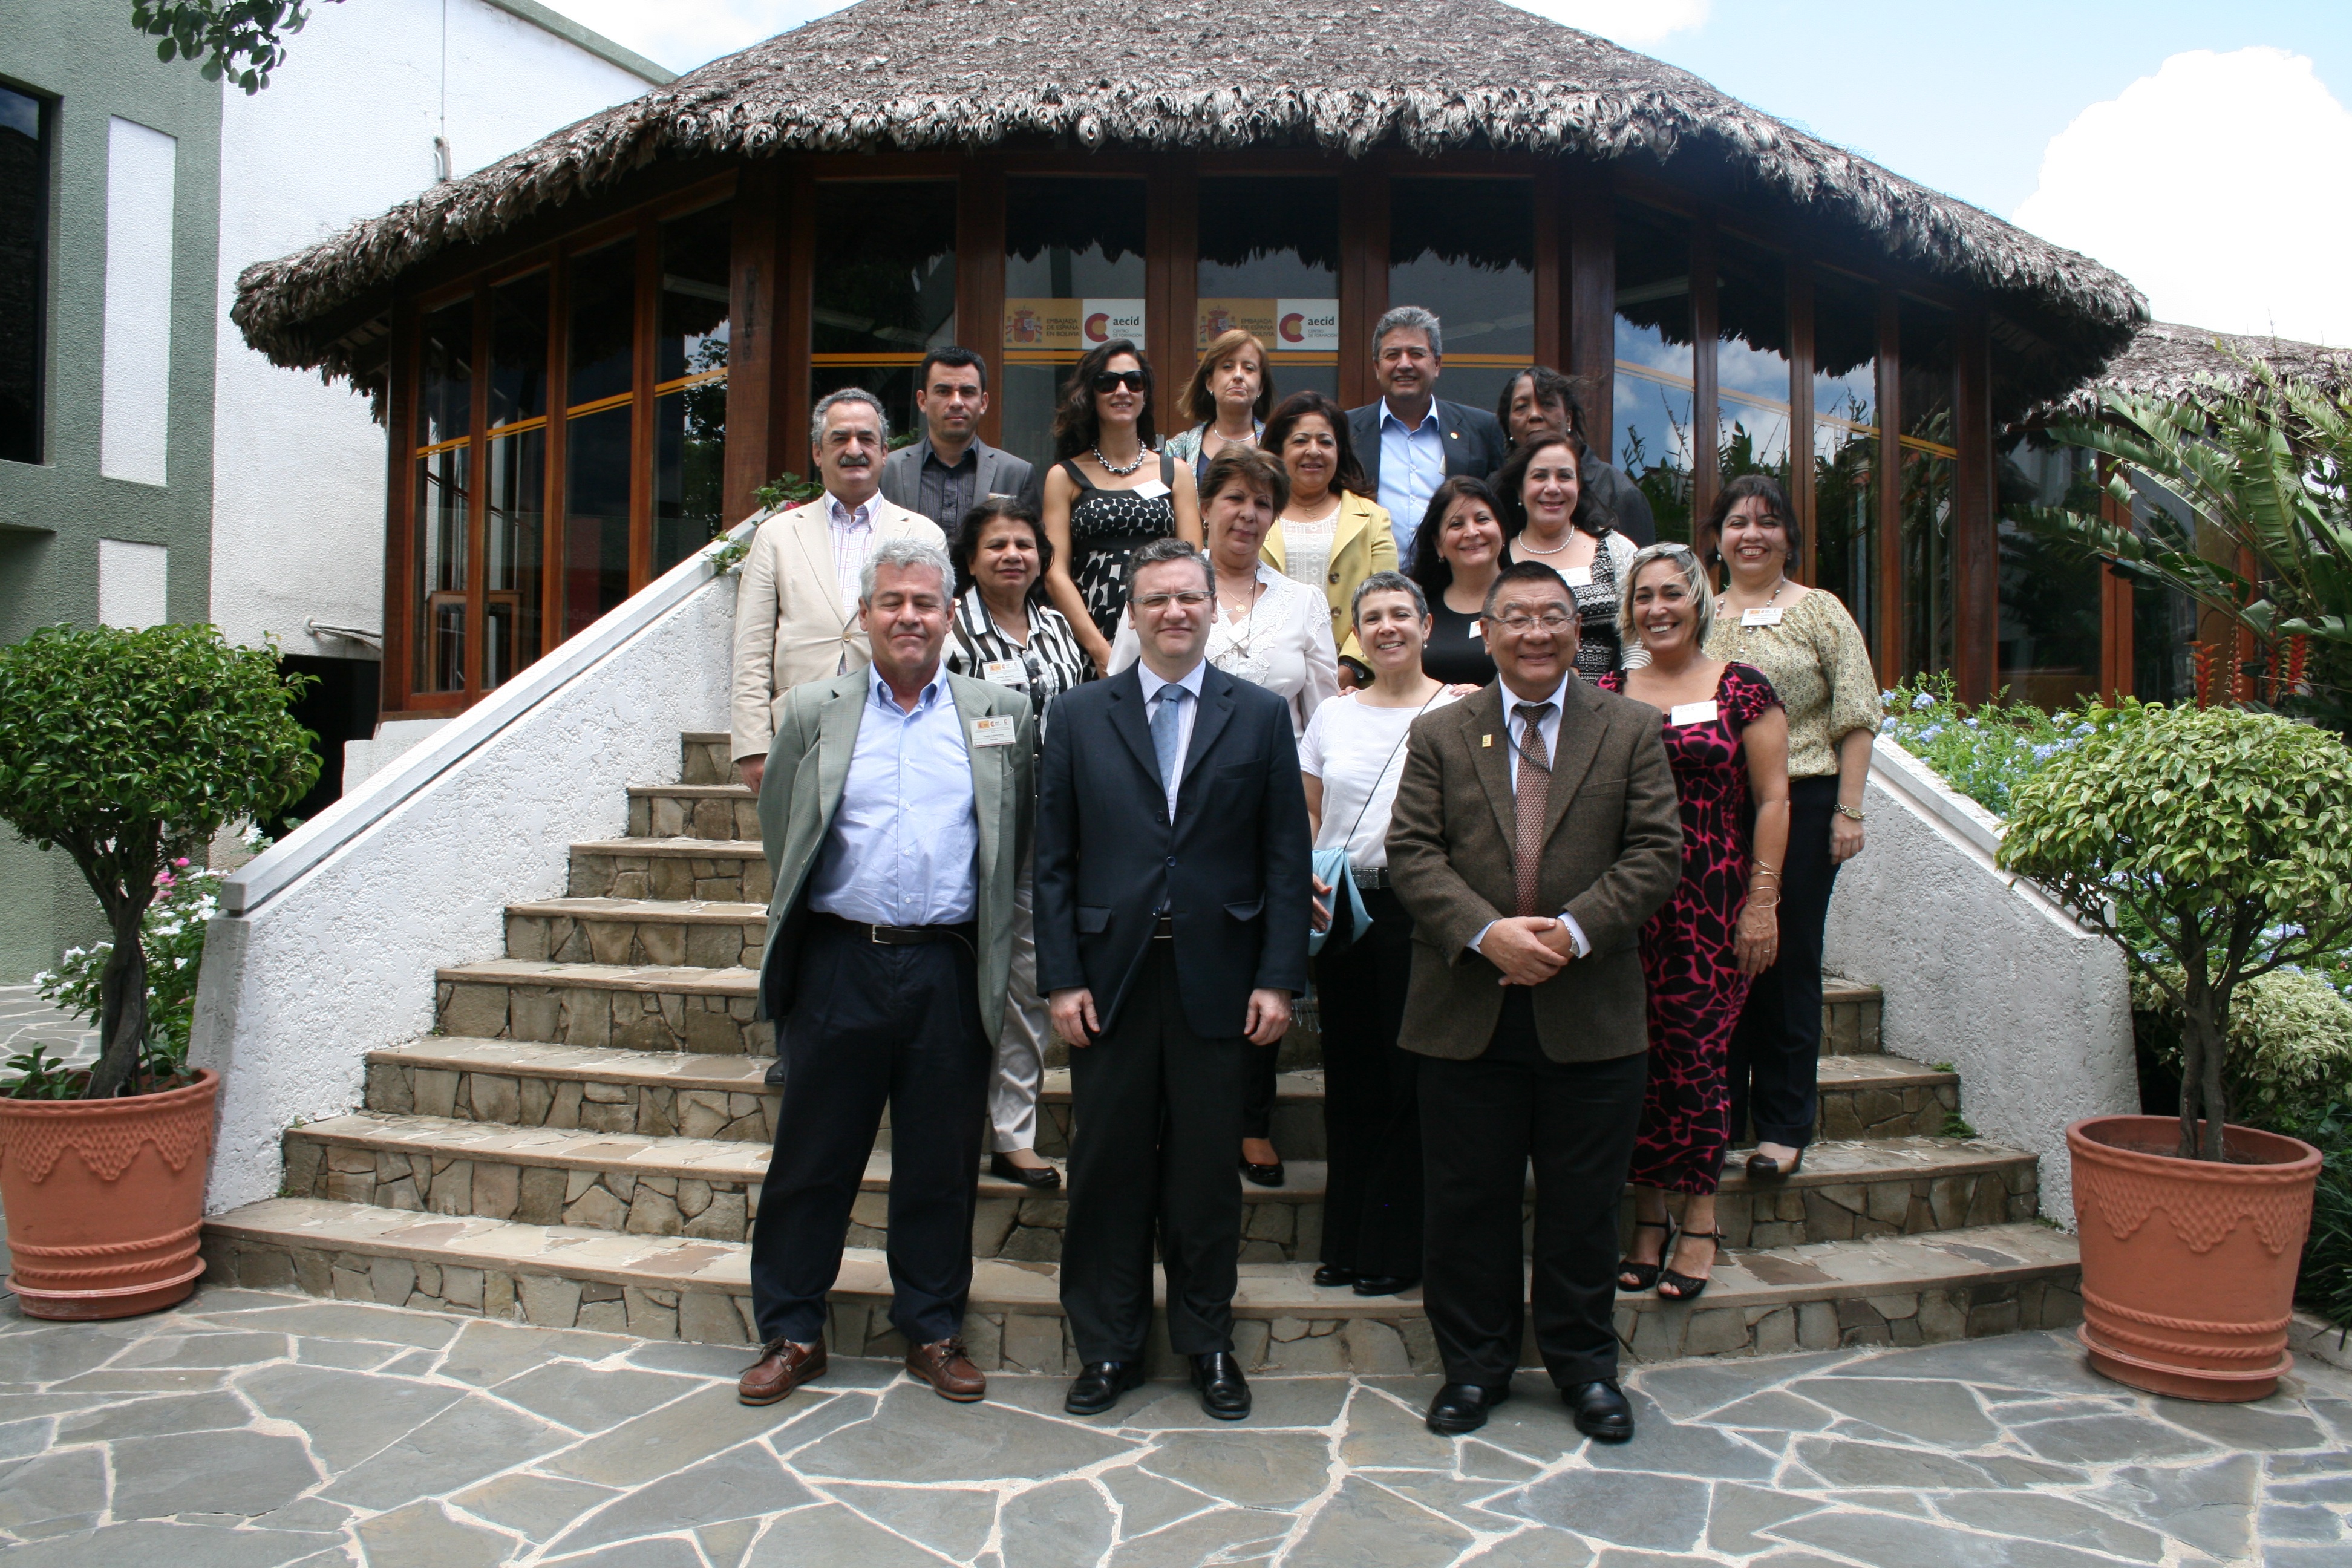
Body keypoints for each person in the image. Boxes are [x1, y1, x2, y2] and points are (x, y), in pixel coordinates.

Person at [1386, 559, 1682, 1442]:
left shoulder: (1630, 728)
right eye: (1515, 618)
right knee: (1465, 1204)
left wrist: (1570, 934)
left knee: (1583, 1207)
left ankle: (1585, 1369)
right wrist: (1489, 935)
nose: (1536, 633)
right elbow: (1413, 854)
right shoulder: (1442, 732)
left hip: (1590, 1008)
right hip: (1464, 1008)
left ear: (1577, 629)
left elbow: (1656, 853)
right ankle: (1473, 1370)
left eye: (1553, 616)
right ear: (1487, 634)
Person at [736, 538, 1034, 1410]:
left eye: (925, 603)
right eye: (893, 602)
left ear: (951, 616)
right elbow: (784, 830)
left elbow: (1016, 836)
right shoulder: (811, 711)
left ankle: (933, 1329)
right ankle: (793, 1332)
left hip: (948, 967)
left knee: (940, 1162)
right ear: (865, 615)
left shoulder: (1000, 713)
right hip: (839, 963)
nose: (910, 617)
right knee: (812, 1157)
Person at [1037, 537, 1313, 1423]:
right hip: (1109, 980)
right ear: (1133, 614)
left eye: (1189, 597)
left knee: (1204, 1175)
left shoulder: (1260, 716)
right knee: (1106, 1169)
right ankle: (1108, 1347)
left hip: (1219, 979)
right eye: (1156, 599)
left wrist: (1279, 978)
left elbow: (1285, 855)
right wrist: (1061, 979)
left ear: (1212, 608)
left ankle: (1207, 1342)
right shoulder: (1078, 715)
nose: (1174, 612)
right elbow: (1053, 861)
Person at [1109, 449, 1336, 1186]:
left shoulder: (1302, 602)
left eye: (1262, 502)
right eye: (1234, 498)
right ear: (1205, 507)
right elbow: (1119, 690)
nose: (1248, 513)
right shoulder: (1165, 587)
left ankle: (1251, 1119)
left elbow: (1323, 714)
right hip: (1171, 805)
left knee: (1260, 948)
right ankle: (1171, 1114)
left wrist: (1311, 826)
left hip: (1267, 801)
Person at [1598, 544, 1791, 1302]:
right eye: (1643, 596)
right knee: (1637, 1062)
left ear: (1699, 601)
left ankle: (1701, 1219)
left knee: (1698, 1060)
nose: (1658, 609)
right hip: (1628, 908)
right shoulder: (1608, 691)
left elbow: (1774, 799)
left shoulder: (1743, 688)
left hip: (1713, 904)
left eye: (1672, 593)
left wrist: (1763, 901)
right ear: (1629, 612)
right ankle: (1648, 1218)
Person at [1698, 475, 1877, 1183]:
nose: (1752, 534)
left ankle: (1783, 1125)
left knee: (1785, 960)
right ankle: (1718, 1120)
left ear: (1789, 538)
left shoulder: (1819, 611)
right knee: (1717, 963)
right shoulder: (1697, 612)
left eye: (1768, 522)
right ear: (1717, 538)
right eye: (1738, 522)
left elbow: (1857, 713)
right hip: (1716, 808)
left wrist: (1849, 811)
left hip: (1803, 802)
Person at [1301, 572, 1460, 1299]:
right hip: (1343, 911)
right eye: (1373, 617)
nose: (1387, 627)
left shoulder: (1461, 708)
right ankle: (1346, 1241)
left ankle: (1396, 1247)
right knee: (1351, 1079)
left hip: (1423, 912)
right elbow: (1310, 814)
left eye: (1402, 613)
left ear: (1427, 626)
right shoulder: (1331, 716)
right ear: (1357, 634)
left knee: (1409, 1082)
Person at [942, 498, 1091, 1192]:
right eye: (996, 545)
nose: (1012, 555)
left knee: (1027, 979)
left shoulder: (1058, 626)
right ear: (971, 560)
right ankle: (947, 1126)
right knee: (955, 978)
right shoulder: (952, 630)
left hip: (1047, 828)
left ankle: (1012, 1134)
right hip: (966, 827)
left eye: (1025, 545)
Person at [730, 390, 944, 791]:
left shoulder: (923, 534)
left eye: (866, 439)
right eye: (840, 438)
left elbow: (937, 639)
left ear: (884, 452)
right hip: (800, 729)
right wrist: (753, 745)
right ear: (818, 452)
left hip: (896, 724)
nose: (854, 450)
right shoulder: (776, 535)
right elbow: (752, 647)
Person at [1040, 339, 1204, 674]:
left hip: (1163, 623)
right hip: (1088, 634)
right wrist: (1099, 650)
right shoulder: (1064, 476)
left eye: (1134, 381)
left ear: (1145, 393)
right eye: (1107, 382)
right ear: (1090, 393)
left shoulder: (1176, 472)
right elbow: (1055, 573)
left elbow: (1193, 564)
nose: (1122, 390)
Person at [1345, 307, 1509, 563]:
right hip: (1371, 579)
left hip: (1454, 580)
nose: (1404, 364)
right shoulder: (1345, 430)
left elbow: (1501, 509)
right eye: (1392, 355)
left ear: (1437, 364)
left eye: (1416, 354)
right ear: (1377, 367)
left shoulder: (1481, 428)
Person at [1261, 390, 1397, 678]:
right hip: (1267, 676)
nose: (1314, 451)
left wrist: (1349, 667)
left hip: (1351, 682)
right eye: (1300, 441)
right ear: (1278, 451)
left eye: (1325, 442)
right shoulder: (1255, 514)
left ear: (1340, 451)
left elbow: (1386, 600)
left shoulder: (1372, 518)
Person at [1496, 432, 1638, 680]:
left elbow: (1639, 638)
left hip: (1608, 700)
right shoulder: (1497, 556)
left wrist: (1626, 690)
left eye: (1564, 476)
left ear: (1579, 485)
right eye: (1540, 476)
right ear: (1520, 489)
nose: (1553, 487)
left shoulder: (1616, 549)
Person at [879, 348, 1041, 541]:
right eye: (943, 391)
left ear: (983, 402)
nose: (956, 402)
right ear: (922, 401)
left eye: (967, 392)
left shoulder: (1016, 475)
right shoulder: (887, 471)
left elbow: (1032, 548)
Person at [1497, 365, 1656, 547]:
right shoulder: (1497, 490)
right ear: (1508, 425)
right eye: (1521, 407)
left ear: (1568, 419)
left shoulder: (1620, 493)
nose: (1534, 415)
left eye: (1547, 404)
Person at [1405, 477, 1507, 687]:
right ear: (1438, 544)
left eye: (1482, 520)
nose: (1472, 532)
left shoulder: (1534, 597)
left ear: (1502, 530)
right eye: (1456, 524)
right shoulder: (1416, 606)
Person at [1164, 328, 1272, 483]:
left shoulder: (1277, 444)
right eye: (1228, 366)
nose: (1238, 375)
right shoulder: (1180, 448)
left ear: (1261, 387)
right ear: (1210, 382)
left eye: (1249, 368)